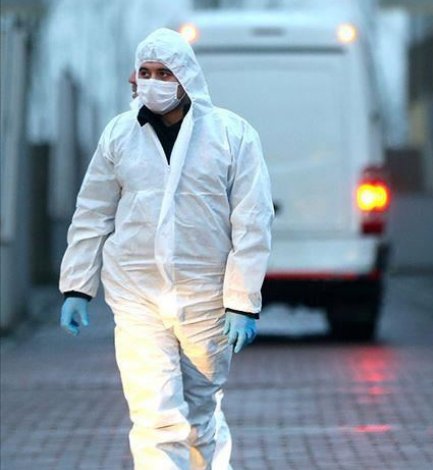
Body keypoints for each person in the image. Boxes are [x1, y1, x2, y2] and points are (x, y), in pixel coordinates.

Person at [58, 28, 274, 468]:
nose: (154, 81)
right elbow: (93, 211)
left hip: (205, 297)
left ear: (186, 76)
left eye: (164, 73)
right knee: (155, 417)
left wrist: (242, 301)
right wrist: (77, 286)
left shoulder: (232, 135)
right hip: (136, 295)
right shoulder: (120, 135)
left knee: (199, 416)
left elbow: (252, 221)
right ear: (134, 77)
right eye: (146, 72)